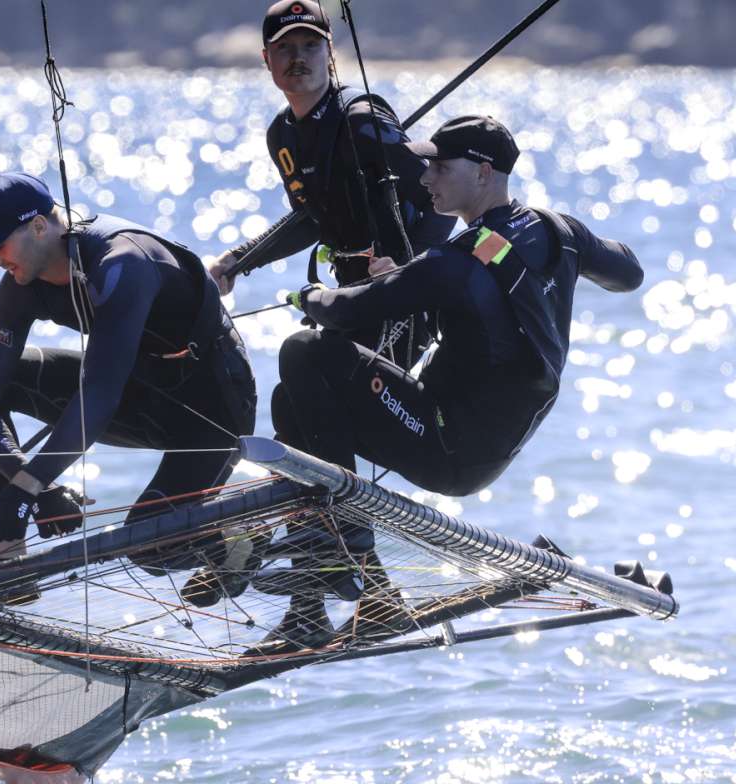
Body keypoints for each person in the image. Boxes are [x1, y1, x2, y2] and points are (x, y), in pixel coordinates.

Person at [255, 115, 644, 654]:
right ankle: (325, 604)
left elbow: (350, 312)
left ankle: (345, 552)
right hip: (485, 446)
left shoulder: (455, 261)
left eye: (440, 165)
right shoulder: (558, 230)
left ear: (484, 172)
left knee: (304, 350)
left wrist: (308, 295)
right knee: (292, 398)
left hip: (447, 443)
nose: (426, 176)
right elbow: (629, 273)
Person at [0, 172, 258, 595]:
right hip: (139, 394)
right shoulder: (21, 285)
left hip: (212, 407)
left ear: (39, 226)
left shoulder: (121, 263)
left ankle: (232, 539)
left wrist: (26, 487)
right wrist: (34, 489)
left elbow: (97, 394)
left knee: (147, 548)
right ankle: (8, 567)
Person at [207, 0, 455, 371]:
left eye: (311, 45)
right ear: (266, 58)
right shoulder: (282, 135)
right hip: (351, 294)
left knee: (341, 395)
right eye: (284, 48)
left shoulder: (360, 120)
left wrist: (405, 271)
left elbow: (444, 200)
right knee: (298, 395)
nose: (298, 58)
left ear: (330, 53)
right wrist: (238, 261)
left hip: (403, 298)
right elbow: (311, 219)